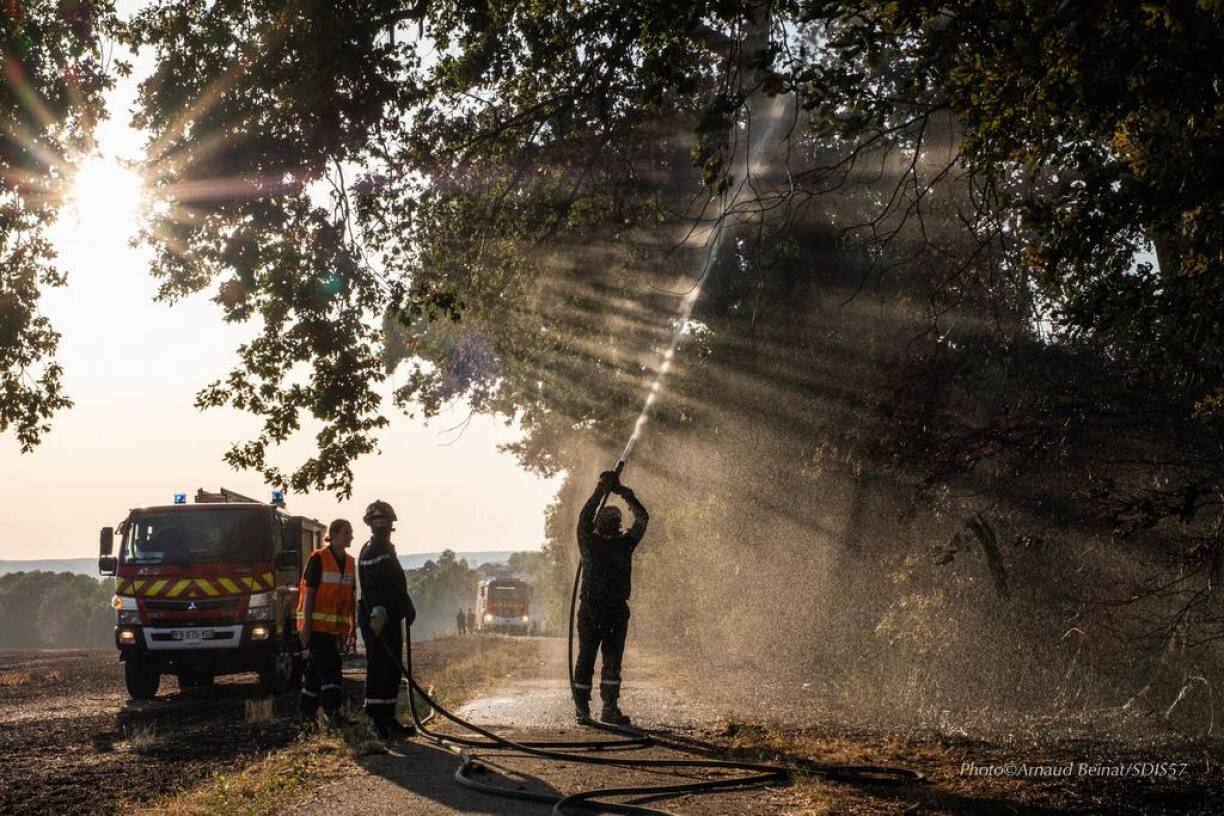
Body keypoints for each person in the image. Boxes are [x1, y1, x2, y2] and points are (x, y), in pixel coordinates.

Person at [573, 469, 648, 726]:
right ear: (617, 525)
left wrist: (601, 490)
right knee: (612, 660)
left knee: (586, 658)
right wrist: (623, 492)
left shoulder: (588, 542)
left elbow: (584, 517)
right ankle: (609, 709)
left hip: (591, 610)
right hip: (615, 611)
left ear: (598, 524)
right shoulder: (625, 544)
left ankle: (582, 711)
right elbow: (643, 518)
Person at [357, 500, 417, 740]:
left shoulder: (385, 548)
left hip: (390, 618)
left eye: (385, 522)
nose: (382, 525)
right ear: (371, 525)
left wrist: (407, 606)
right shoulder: (373, 550)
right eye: (378, 522)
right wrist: (380, 615)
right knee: (379, 667)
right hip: (377, 619)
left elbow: (397, 585)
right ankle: (376, 720)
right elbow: (375, 588)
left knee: (392, 669)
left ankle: (388, 717)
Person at [297, 518, 357, 728]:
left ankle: (306, 715)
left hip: (334, 629)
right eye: (347, 532)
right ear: (334, 535)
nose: (351, 536)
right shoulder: (318, 558)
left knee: (314, 672)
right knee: (332, 667)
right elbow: (310, 594)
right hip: (316, 627)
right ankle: (333, 713)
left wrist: (351, 629)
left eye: (350, 532)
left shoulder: (350, 563)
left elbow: (351, 599)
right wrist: (305, 626)